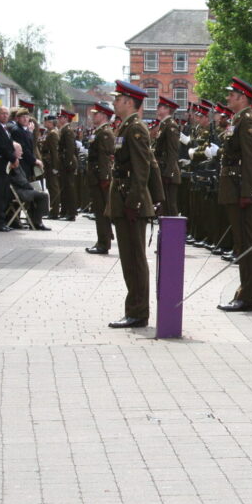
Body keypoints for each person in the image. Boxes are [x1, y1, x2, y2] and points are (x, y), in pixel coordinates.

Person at [107, 81, 164, 329]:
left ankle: (138, 312)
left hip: (131, 202)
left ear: (129, 102)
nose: (114, 102)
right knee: (129, 259)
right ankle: (134, 309)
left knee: (135, 259)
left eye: (118, 99)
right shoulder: (126, 127)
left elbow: (143, 168)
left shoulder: (135, 128)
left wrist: (134, 202)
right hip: (124, 199)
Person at [217, 79, 252, 313]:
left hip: (242, 190)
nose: (228, 98)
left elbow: (250, 159)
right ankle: (243, 291)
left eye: (232, 95)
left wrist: (248, 192)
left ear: (243, 98)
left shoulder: (248, 122)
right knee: (241, 243)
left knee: (248, 244)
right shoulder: (237, 120)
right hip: (234, 188)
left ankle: (248, 296)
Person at [85, 101, 116, 254]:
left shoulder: (104, 133)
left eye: (96, 113)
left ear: (104, 115)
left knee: (102, 211)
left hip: (100, 177)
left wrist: (104, 178)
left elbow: (105, 157)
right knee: (99, 210)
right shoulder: (100, 131)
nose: (93, 116)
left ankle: (103, 243)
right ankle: (103, 239)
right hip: (96, 176)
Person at [8, 142, 51, 230]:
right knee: (43, 196)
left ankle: (34, 219)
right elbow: (19, 180)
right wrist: (32, 187)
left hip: (21, 189)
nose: (22, 152)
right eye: (20, 151)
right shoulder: (13, 164)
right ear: (14, 151)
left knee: (39, 194)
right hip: (18, 191)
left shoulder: (16, 162)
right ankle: (37, 222)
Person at [56, 109, 80, 221]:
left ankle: (71, 213)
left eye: (61, 117)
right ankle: (65, 211)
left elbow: (70, 148)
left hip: (68, 161)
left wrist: (69, 162)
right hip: (65, 160)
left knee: (69, 188)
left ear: (65, 118)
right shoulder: (64, 130)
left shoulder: (68, 130)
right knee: (65, 187)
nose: (58, 119)